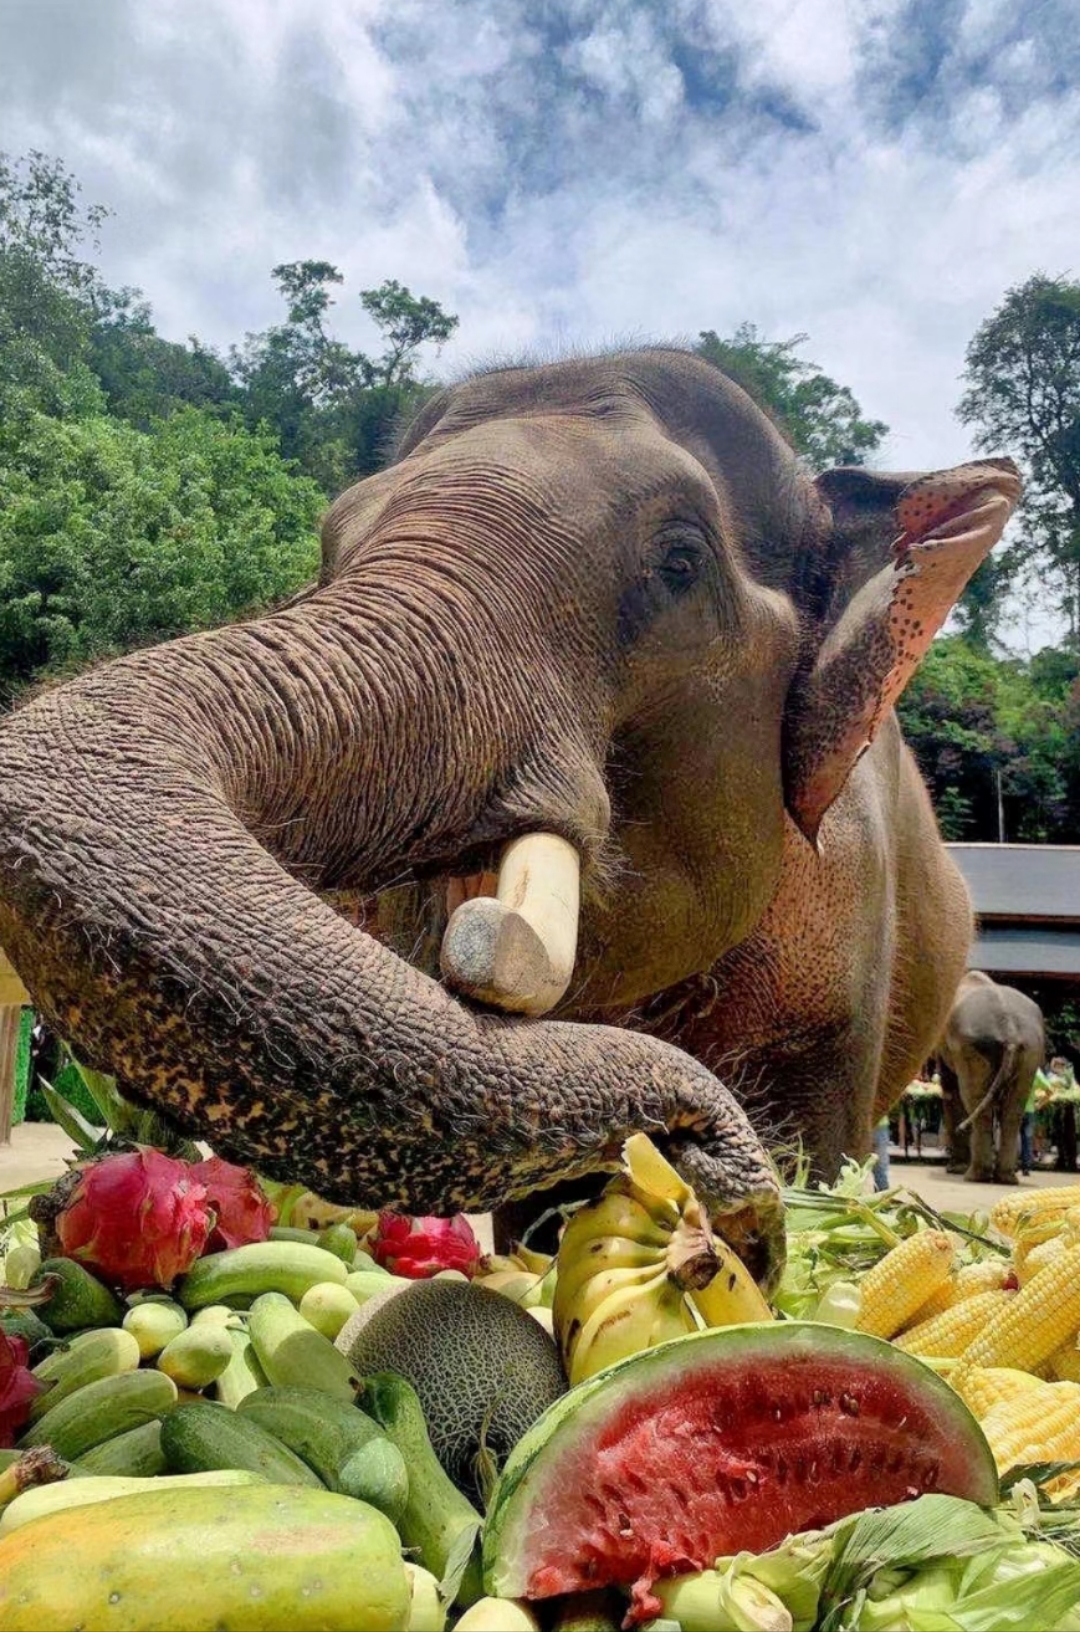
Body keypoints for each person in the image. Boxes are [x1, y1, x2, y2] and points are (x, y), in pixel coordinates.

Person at [872, 1113, 891, 1192]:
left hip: (877, 1126)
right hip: (879, 1127)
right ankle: (882, 1189)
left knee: (879, 1163)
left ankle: (882, 1189)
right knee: (880, 1163)